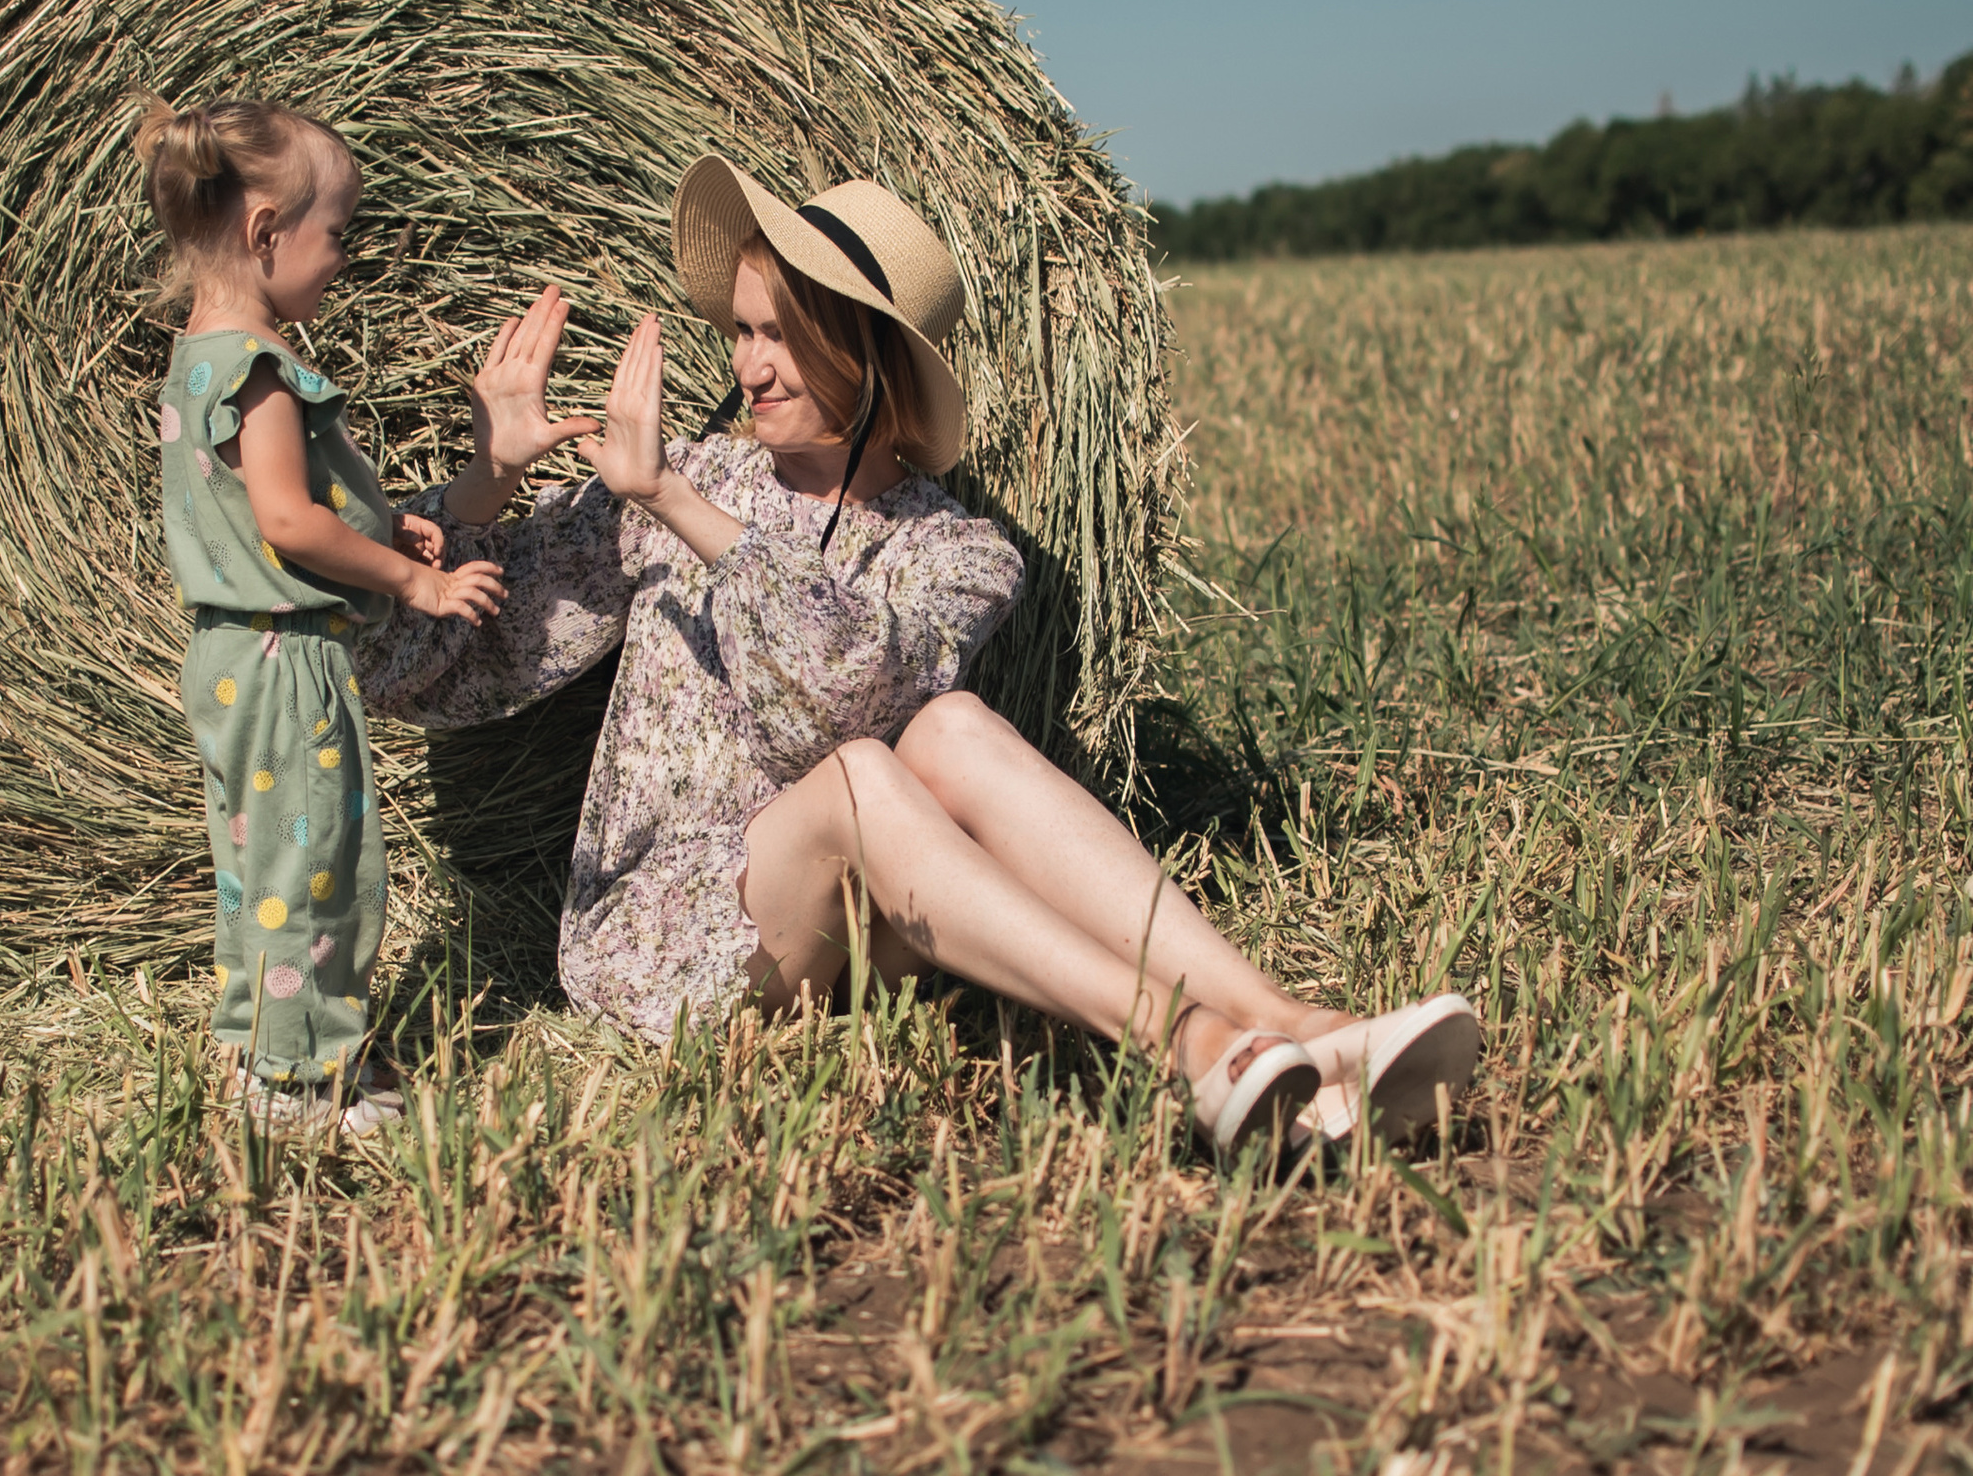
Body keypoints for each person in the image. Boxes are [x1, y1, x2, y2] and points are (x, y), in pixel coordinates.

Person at [357, 153, 1477, 1154]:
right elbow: (418, 663)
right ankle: (1196, 1042)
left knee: (942, 727)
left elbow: (838, 691)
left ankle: (1297, 1030)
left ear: (866, 346)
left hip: (874, 936)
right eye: (740, 330)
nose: (748, 364)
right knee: (871, 771)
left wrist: (679, 501)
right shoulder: (675, 490)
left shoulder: (962, 550)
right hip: (673, 939)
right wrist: (485, 484)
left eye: (778, 332)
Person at [135, 95, 505, 1132]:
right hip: (284, 654)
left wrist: (394, 525)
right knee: (316, 866)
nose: (343, 257)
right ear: (265, 233)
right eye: (335, 232)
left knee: (257, 865)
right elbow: (290, 522)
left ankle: (262, 1044)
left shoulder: (196, 358)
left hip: (226, 654)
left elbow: (274, 516)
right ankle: (300, 1080)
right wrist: (410, 580)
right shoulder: (261, 373)